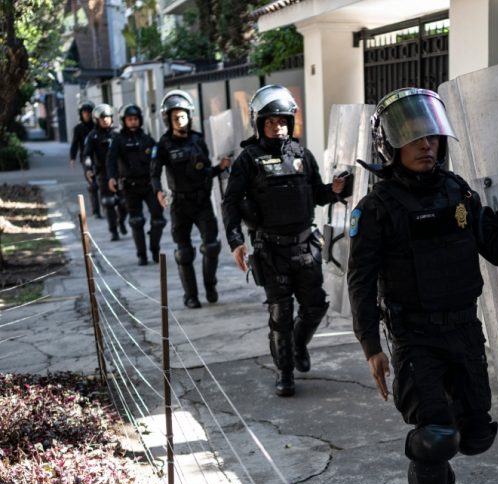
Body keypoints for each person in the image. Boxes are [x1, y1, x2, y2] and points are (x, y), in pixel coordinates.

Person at [346, 87, 498, 484]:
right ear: (390, 146)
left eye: (432, 135)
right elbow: (361, 280)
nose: (426, 144)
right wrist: (372, 346)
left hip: (464, 328)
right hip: (415, 337)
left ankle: (434, 468)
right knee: (436, 436)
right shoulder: (377, 208)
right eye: (414, 137)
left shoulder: (457, 191)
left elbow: (495, 247)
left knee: (475, 435)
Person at [221, 85, 346, 397]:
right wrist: (236, 241)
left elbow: (318, 194)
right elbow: (231, 202)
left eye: (283, 121)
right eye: (270, 122)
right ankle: (284, 371)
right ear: (260, 124)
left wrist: (337, 188)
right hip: (270, 248)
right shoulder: (248, 159)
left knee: (315, 306)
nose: (277, 127)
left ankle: (298, 345)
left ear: (291, 123)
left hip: (306, 246)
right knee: (281, 312)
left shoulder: (303, 156)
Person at [151, 90, 230, 308]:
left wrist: (219, 168)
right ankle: (191, 295)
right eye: (175, 117)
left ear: (190, 116)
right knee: (184, 252)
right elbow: (154, 173)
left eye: (183, 116)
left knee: (212, 246)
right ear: (168, 119)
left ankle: (210, 286)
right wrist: (158, 191)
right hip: (180, 204)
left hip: (203, 201)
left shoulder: (198, 140)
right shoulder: (163, 144)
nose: (180, 120)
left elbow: (205, 171)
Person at [107, 104, 166, 265]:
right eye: (129, 119)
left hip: (149, 185)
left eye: (135, 119)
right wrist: (111, 178)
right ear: (124, 121)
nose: (133, 122)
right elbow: (111, 161)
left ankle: (155, 250)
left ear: (139, 120)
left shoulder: (147, 139)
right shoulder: (118, 140)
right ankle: (142, 255)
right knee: (136, 221)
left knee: (158, 220)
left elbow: (159, 157)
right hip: (130, 186)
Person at [83, 104, 128, 241]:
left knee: (123, 202)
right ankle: (113, 230)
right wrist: (89, 170)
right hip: (102, 173)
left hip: (119, 173)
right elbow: (87, 156)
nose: (106, 120)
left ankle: (121, 221)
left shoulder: (118, 134)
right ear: (97, 120)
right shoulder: (93, 136)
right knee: (108, 202)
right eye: (102, 118)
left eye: (108, 117)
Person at [69, 100, 101, 219]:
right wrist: (72, 157)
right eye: (84, 112)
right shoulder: (78, 129)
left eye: (89, 112)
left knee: (103, 183)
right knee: (92, 184)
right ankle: (96, 210)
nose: (87, 114)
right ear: (81, 114)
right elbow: (74, 144)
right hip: (87, 159)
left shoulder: (97, 126)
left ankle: (109, 207)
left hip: (100, 158)